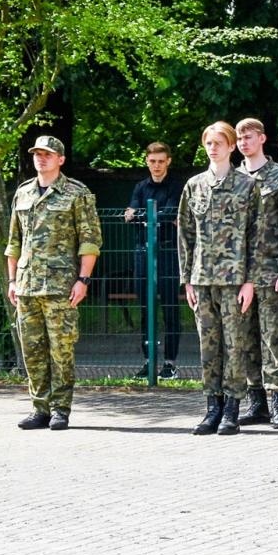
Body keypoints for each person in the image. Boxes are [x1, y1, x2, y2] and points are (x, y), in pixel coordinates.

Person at [8, 135, 101, 431]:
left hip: (61, 285)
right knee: (32, 350)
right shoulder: (23, 193)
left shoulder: (76, 193)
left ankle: (60, 408)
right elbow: (14, 241)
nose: (41, 158)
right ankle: (40, 408)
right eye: (37, 153)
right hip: (27, 285)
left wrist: (83, 279)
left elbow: (90, 240)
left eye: (47, 154)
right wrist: (12, 280)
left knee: (61, 350)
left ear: (60, 159)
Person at [177, 122, 259, 436]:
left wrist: (250, 280)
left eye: (219, 143)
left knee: (235, 344)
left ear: (231, 146)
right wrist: (187, 279)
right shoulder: (194, 185)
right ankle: (212, 406)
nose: (213, 148)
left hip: (235, 278)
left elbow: (256, 235)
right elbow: (185, 235)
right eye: (209, 143)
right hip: (202, 278)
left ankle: (232, 409)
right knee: (208, 345)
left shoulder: (247, 185)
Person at [234, 118, 278, 429]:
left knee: (275, 338)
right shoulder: (233, 178)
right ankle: (256, 401)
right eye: (239, 138)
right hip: (239, 275)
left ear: (262, 139)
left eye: (248, 137)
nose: (243, 143)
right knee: (246, 338)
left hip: (272, 271)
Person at [124, 141, 182, 380]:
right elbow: (130, 215)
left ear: (168, 161)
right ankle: (149, 362)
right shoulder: (140, 187)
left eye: (161, 161)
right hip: (143, 253)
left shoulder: (176, 186)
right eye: (152, 161)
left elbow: (171, 212)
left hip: (168, 252)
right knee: (146, 309)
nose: (156, 166)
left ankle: (170, 363)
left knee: (170, 309)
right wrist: (156, 217)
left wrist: (143, 216)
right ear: (146, 162)